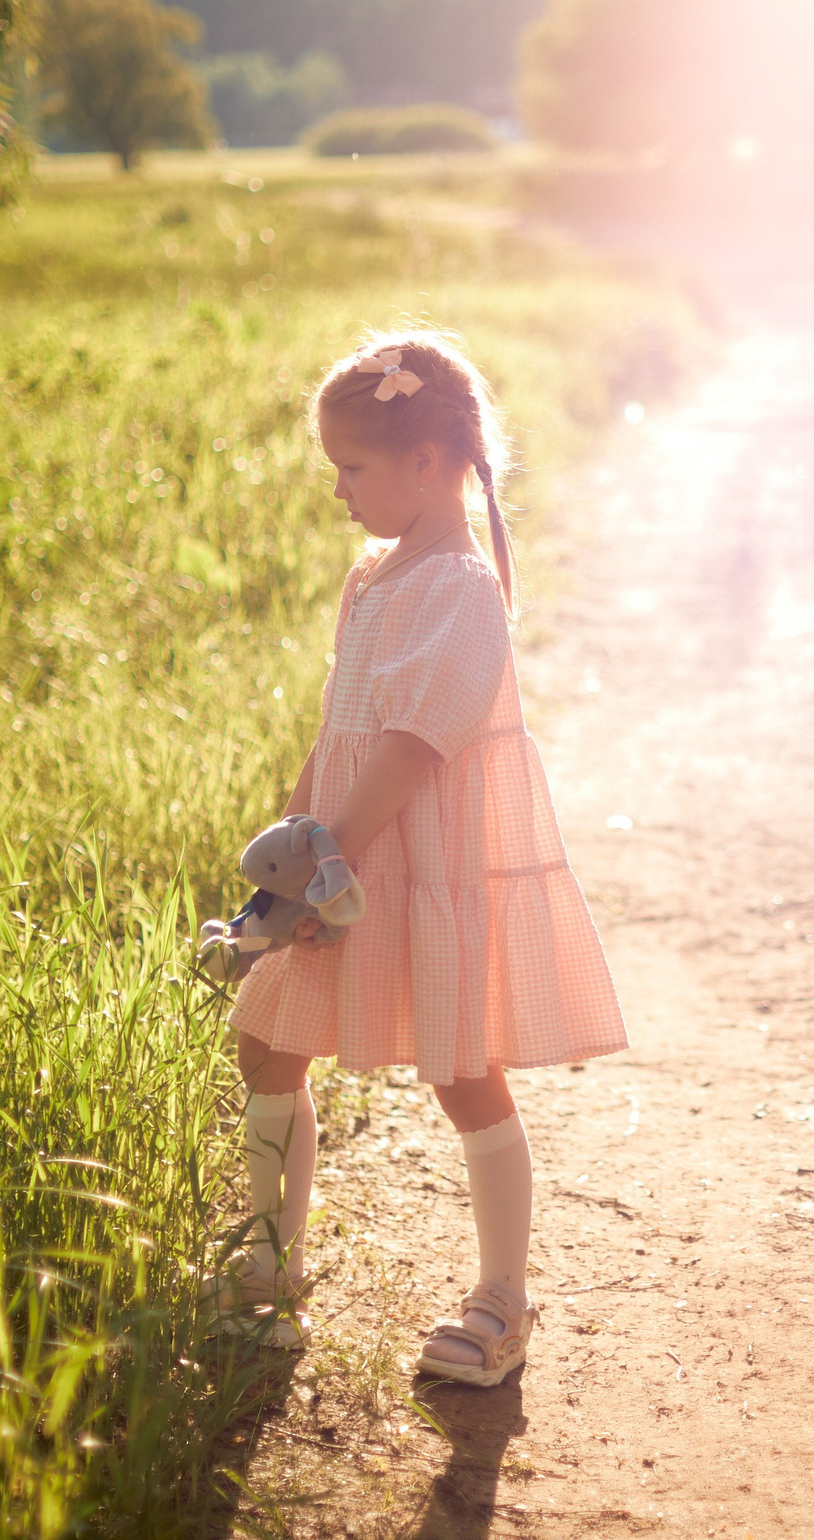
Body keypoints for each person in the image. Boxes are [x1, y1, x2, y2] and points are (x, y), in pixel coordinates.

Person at [218, 331, 628, 1382]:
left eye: (352, 468)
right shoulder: (373, 578)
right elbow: (340, 734)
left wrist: (323, 867)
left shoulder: (461, 588)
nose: (340, 490)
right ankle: (269, 1273)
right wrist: (288, 853)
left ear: (429, 462)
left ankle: (502, 1301)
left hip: (408, 870)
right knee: (267, 1046)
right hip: (340, 858)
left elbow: (407, 753)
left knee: (462, 1073)